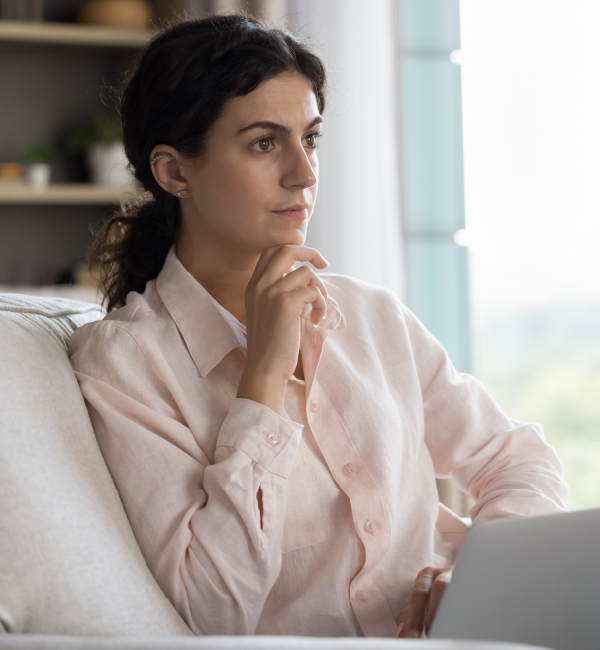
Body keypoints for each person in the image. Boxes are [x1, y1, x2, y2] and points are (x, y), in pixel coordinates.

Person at [68, 14, 569, 639]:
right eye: (263, 143)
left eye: (310, 139)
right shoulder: (126, 363)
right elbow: (211, 609)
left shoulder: (372, 316)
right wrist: (265, 376)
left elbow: (516, 458)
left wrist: (478, 581)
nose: (304, 175)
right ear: (174, 172)